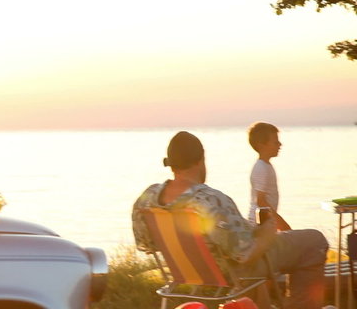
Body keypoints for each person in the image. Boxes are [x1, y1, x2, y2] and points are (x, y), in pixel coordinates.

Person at [132, 131, 328, 309]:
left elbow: (145, 244)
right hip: (233, 270)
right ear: (201, 160)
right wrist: (268, 230)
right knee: (314, 240)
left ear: (171, 163)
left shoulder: (148, 198)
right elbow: (245, 253)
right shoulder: (210, 200)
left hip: (184, 272)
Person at [247, 122, 291, 230]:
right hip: (258, 226)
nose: (280, 144)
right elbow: (261, 201)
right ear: (262, 145)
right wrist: (282, 224)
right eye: (276, 142)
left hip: (266, 224)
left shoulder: (266, 166)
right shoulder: (261, 168)